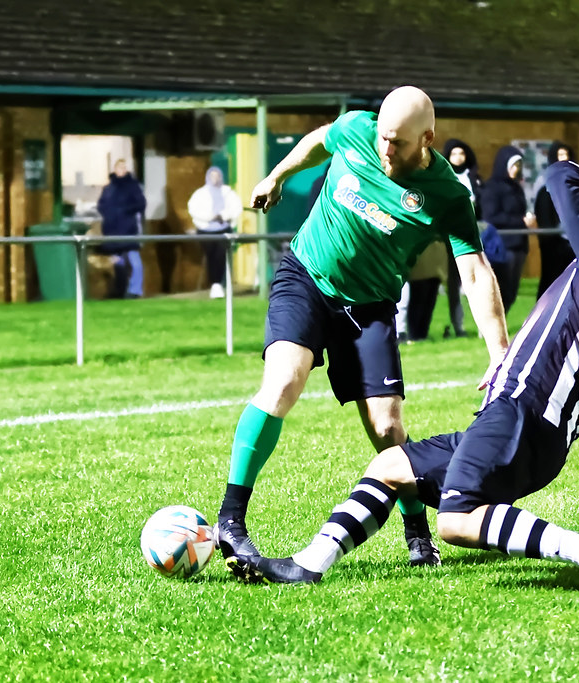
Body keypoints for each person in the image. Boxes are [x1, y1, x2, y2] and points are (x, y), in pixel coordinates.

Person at [246, 161, 579, 594]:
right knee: (390, 466)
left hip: (518, 414)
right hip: (544, 440)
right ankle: (308, 565)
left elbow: (559, 175)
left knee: (456, 520)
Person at [213, 86, 510, 580]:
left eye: (397, 142)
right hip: (306, 276)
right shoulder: (357, 129)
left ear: (427, 139)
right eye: (383, 137)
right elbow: (319, 140)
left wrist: (500, 351)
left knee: (387, 428)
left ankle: (417, 530)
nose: (385, 148)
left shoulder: (447, 194)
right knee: (283, 381)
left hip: (370, 305)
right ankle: (230, 520)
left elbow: (475, 271)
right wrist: (277, 175)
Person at [481, 145, 537, 313]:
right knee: (502, 290)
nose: (516, 169)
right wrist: (521, 221)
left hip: (519, 244)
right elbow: (491, 216)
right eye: (513, 165)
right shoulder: (492, 188)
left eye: (518, 165)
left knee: (511, 291)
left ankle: (501, 320)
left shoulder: (516, 187)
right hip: (502, 245)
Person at [442, 138, 484, 337]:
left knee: (477, 279)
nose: (458, 157)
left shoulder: (474, 178)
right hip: (451, 236)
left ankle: (481, 325)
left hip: (474, 235)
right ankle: (458, 325)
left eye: (461, 153)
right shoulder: (443, 177)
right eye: (454, 154)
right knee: (455, 283)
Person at [187, 166, 244, 298]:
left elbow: (236, 208)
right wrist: (210, 217)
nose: (215, 179)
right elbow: (193, 209)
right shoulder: (200, 194)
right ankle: (214, 283)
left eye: (217, 176)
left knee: (220, 254)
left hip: (223, 229)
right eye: (212, 176)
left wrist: (223, 216)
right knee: (211, 255)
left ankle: (218, 284)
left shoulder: (228, 193)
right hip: (205, 230)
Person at [96, 159, 146, 299]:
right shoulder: (108, 188)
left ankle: (135, 290)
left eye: (124, 167)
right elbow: (101, 205)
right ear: (115, 169)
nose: (122, 170)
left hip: (129, 229)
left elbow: (141, 204)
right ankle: (120, 289)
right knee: (118, 261)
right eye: (120, 167)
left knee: (134, 260)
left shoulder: (133, 186)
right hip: (112, 230)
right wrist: (109, 214)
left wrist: (124, 211)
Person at [534, 141, 576, 298]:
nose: (564, 158)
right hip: (553, 243)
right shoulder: (545, 184)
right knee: (550, 281)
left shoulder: (574, 182)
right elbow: (544, 216)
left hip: (570, 241)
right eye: (560, 155)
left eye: (566, 154)